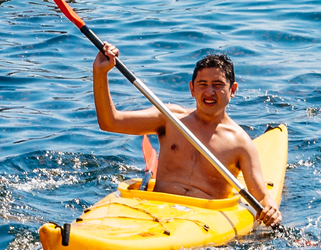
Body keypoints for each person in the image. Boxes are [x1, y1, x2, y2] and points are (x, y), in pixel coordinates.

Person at [91, 43, 282, 227]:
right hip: (155, 208)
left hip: (203, 221)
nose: (209, 92)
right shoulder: (169, 118)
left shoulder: (240, 143)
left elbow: (262, 197)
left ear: (232, 90)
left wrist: (271, 209)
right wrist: (100, 73)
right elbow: (110, 122)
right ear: (192, 89)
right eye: (202, 84)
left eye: (217, 85)